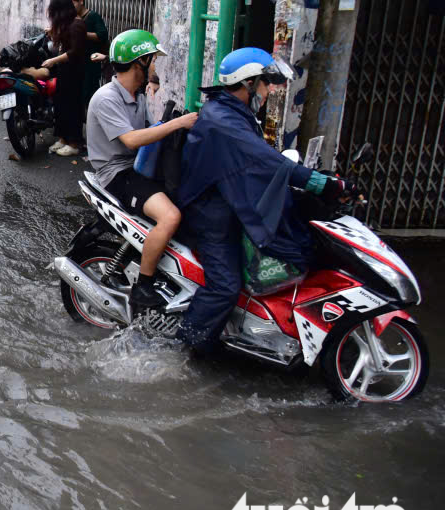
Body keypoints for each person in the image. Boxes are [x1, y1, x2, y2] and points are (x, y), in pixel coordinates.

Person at [174, 47, 344, 353]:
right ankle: (186, 347)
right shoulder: (224, 121)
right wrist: (321, 184)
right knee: (225, 287)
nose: (268, 91)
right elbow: (270, 163)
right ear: (248, 83)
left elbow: (262, 161)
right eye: (265, 83)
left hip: (226, 202)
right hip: (210, 214)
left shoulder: (232, 112)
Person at [85, 28, 199, 312]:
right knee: (171, 216)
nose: (155, 66)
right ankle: (144, 286)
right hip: (117, 174)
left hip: (138, 167)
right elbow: (132, 139)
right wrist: (175, 125)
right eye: (153, 60)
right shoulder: (106, 98)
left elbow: (151, 131)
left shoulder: (136, 95)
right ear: (141, 62)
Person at [39, 0, 89, 155]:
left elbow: (75, 52)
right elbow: (60, 45)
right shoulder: (67, 25)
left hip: (74, 72)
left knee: (72, 107)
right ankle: (62, 139)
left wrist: (54, 61)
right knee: (60, 105)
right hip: (64, 71)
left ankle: (74, 143)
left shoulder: (77, 25)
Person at [67, 0, 108, 114]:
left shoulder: (93, 16)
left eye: (73, 3)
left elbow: (102, 35)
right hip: (77, 61)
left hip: (91, 62)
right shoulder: (72, 18)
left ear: (81, 1)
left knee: (90, 94)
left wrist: (82, 34)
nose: (71, 8)